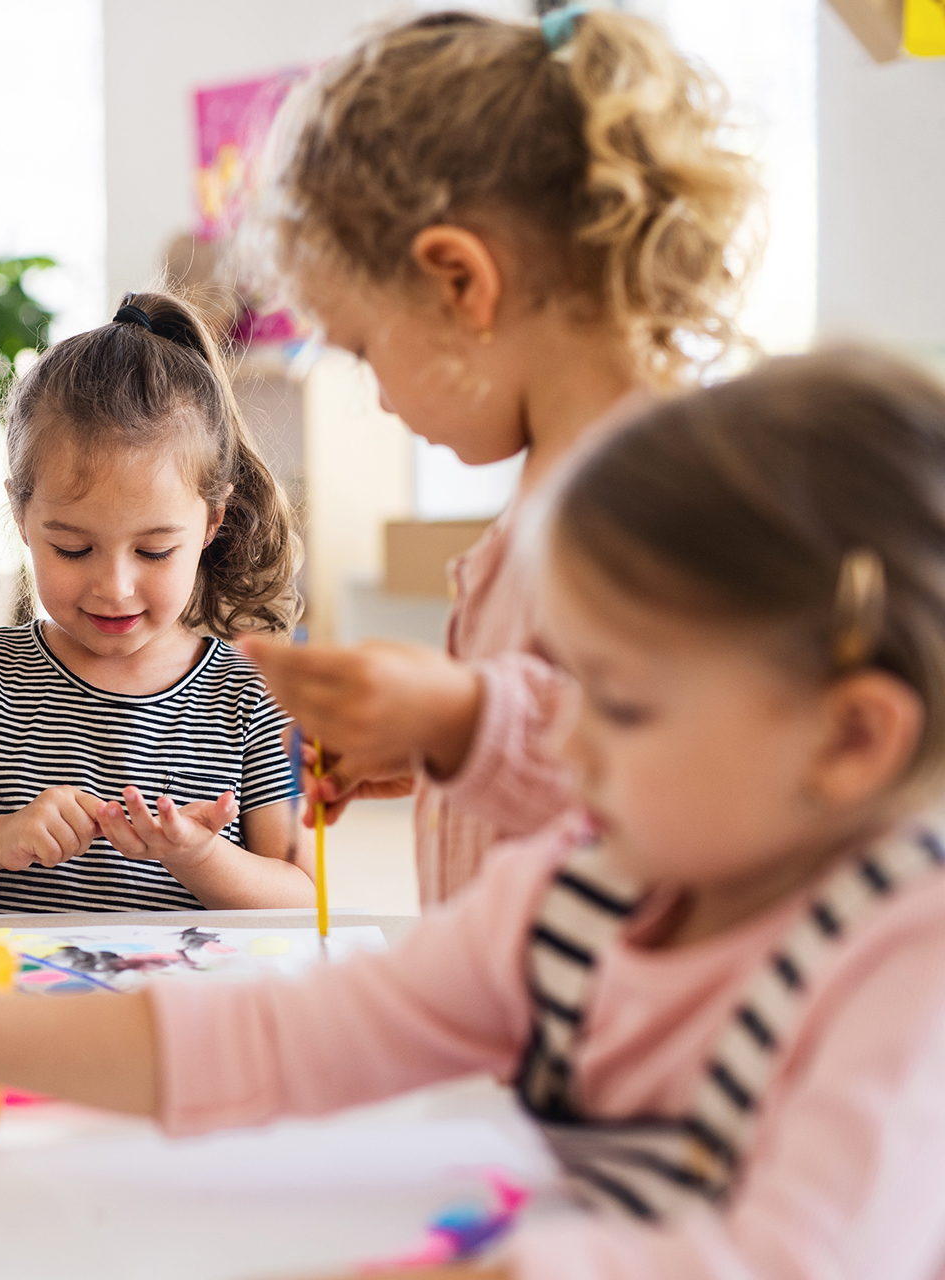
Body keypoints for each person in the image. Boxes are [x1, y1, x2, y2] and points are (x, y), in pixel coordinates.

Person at [0, 351, 945, 1278]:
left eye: (622, 704)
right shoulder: (574, 892)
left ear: (850, 737)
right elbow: (279, 1037)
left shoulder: (909, 961)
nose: (563, 741)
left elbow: (787, 1256)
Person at [237, 8, 758, 903]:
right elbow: (572, 732)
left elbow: (696, 780)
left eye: (363, 348)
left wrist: (464, 718)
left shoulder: (665, 499)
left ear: (460, 282)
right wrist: (440, 751)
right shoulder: (558, 486)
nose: (378, 396)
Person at [0, 292, 309, 912]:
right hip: (5, 978)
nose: (114, 587)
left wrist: (198, 856)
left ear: (212, 522)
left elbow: (301, 895)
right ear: (21, 515)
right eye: (72, 548)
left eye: (153, 551)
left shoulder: (252, 695)